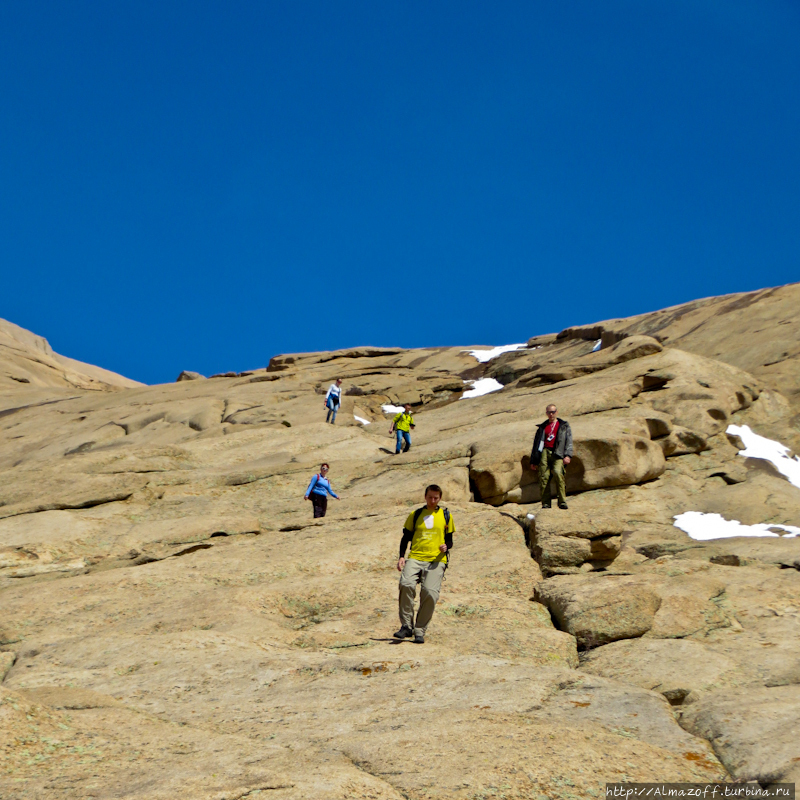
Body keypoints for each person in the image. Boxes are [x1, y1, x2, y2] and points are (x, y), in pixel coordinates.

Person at [394, 484, 455, 644]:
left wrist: (446, 546)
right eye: (430, 497)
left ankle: (419, 630)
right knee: (406, 584)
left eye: (436, 498)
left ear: (440, 498)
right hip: (415, 557)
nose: (432, 500)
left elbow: (449, 540)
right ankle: (406, 626)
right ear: (425, 497)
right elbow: (405, 537)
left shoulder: (446, 515)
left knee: (430, 593)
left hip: (436, 560)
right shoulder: (416, 514)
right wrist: (401, 556)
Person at [529, 404, 573, 509]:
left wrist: (568, 455)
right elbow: (536, 444)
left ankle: (562, 501)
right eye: (549, 412)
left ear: (557, 412)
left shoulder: (564, 425)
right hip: (544, 452)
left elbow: (569, 441)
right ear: (546, 413)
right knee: (544, 477)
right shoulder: (542, 427)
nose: (551, 414)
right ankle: (546, 503)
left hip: (558, 453)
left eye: (553, 412)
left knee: (558, 473)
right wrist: (534, 460)